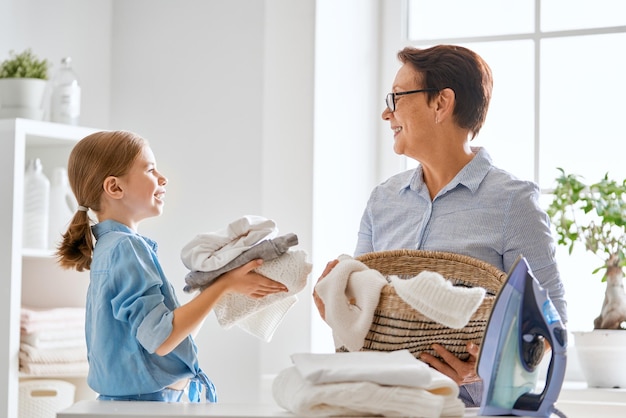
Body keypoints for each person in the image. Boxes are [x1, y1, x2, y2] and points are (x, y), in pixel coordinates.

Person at [313, 44, 567, 407]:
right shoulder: (383, 201)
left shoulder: (513, 201)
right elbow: (364, 304)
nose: (387, 113)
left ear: (440, 104)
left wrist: (486, 367)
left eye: (397, 97)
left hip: (468, 409)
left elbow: (550, 316)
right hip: (381, 404)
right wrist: (336, 306)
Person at [56, 130, 288, 402]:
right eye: (151, 170)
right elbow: (162, 339)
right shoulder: (125, 248)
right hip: (147, 405)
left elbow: (171, 336)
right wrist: (224, 285)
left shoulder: (113, 246)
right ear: (115, 187)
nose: (163, 179)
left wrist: (218, 285)